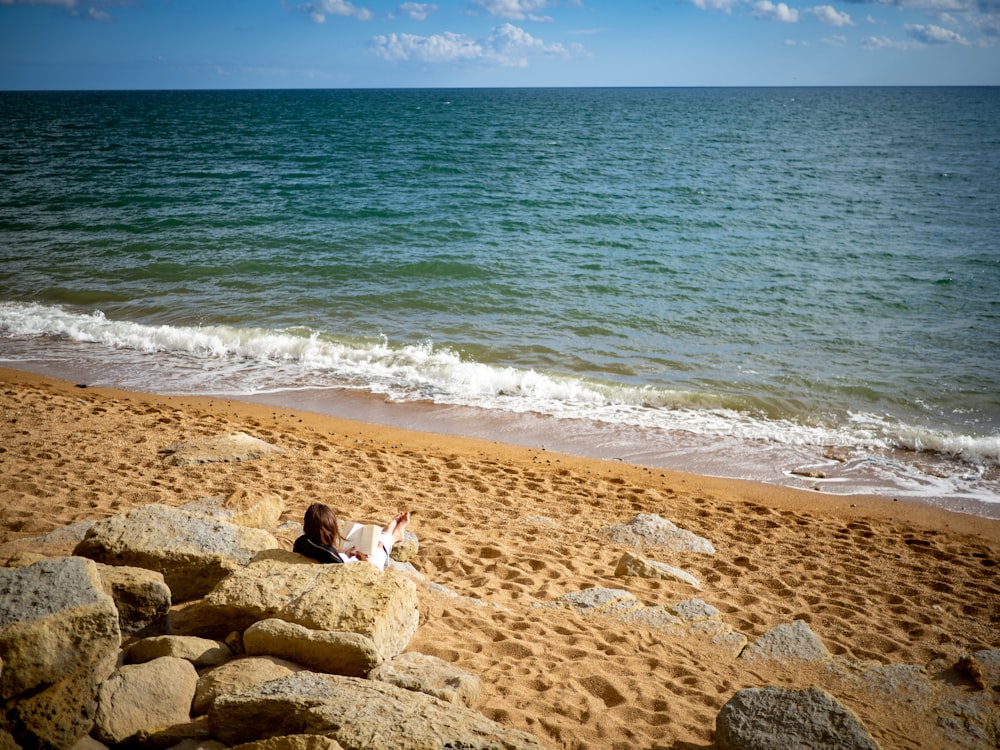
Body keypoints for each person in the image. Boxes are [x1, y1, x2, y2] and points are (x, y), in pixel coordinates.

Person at [293, 502, 410, 570]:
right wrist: (365, 561)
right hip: (354, 569)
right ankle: (393, 534)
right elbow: (368, 571)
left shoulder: (303, 541)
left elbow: (325, 552)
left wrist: (342, 552)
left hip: (338, 559)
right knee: (377, 550)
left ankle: (389, 532)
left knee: (372, 547)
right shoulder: (329, 554)